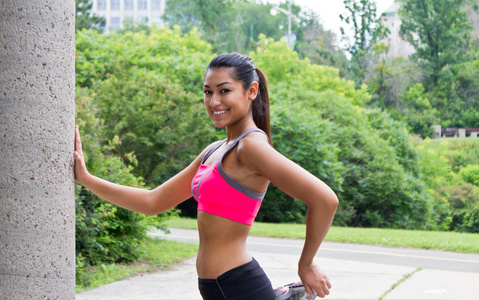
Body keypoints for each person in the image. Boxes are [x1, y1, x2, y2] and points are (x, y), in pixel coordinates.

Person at [73, 52, 338, 300]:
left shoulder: (252, 147)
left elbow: (325, 200)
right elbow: (152, 202)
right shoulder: (214, 150)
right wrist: (86, 178)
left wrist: (306, 263)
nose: (214, 102)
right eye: (208, 92)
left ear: (251, 91)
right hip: (221, 288)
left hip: (238, 287)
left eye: (224, 91)